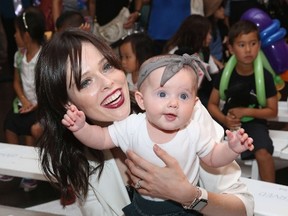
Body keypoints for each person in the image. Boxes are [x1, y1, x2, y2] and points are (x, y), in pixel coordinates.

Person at [35, 29, 254, 216]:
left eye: (107, 67)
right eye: (85, 81)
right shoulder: (81, 158)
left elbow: (242, 207)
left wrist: (190, 196)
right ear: (66, 103)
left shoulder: (181, 113)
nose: (108, 83)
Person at [207, 20, 277, 182]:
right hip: (227, 122)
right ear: (231, 48)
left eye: (252, 44)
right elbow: (212, 104)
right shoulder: (225, 74)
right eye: (241, 45)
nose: (248, 49)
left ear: (259, 45)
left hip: (254, 122)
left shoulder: (265, 77)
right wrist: (224, 119)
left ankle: (271, 192)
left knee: (263, 152)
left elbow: (272, 111)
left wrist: (246, 112)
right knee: (206, 148)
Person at [2, 7, 45, 190]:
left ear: (26, 35)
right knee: (9, 125)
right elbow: (17, 82)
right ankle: (16, 164)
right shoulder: (19, 56)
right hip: (26, 105)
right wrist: (24, 100)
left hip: (41, 107)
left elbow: (47, 90)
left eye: (17, 32)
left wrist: (34, 106)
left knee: (31, 131)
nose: (14, 36)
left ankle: (30, 172)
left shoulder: (44, 57)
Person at [163, 14, 219, 108]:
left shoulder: (204, 51)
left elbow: (215, 74)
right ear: (197, 34)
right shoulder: (175, 53)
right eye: (207, 33)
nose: (210, 37)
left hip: (200, 96)